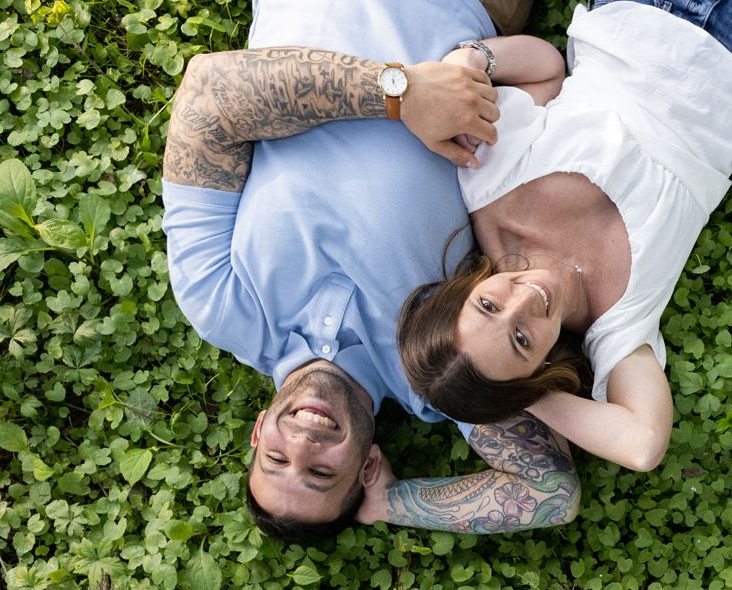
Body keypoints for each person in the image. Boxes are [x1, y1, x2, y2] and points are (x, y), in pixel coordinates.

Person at [398, 0, 732, 473]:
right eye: (522, 340)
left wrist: (475, 58)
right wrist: (523, 398)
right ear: (541, 368)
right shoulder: (617, 328)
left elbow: (546, 69)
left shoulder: (489, 186)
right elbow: (643, 444)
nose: (525, 302)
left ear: (465, 289)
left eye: (487, 305)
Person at [161, 0, 579, 543]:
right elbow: (550, 492)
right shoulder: (437, 368)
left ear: (258, 431)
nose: (303, 445)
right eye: (320, 473)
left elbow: (208, 96)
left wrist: (401, 93)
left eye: (276, 460)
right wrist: (391, 502)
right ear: (365, 466)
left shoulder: (219, 306)